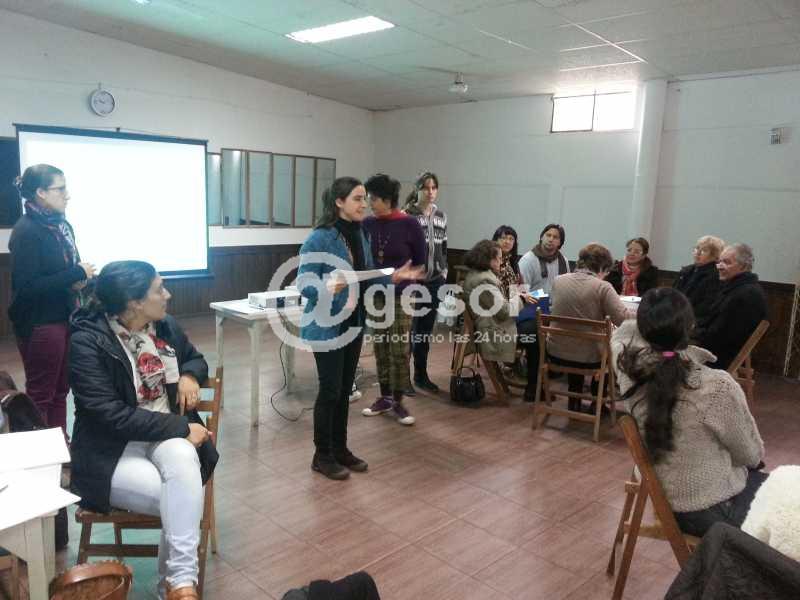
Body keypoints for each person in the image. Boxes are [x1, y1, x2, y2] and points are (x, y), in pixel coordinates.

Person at [69, 261, 218, 600]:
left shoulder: (164, 327)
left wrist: (189, 375)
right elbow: (110, 415)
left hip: (162, 436)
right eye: (159, 289)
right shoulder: (87, 341)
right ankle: (177, 588)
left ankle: (178, 583)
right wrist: (181, 425)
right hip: (111, 451)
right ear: (134, 302)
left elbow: (195, 358)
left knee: (182, 457)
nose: (168, 295)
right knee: (182, 498)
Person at [612, 288, 766, 537]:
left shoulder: (629, 371)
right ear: (691, 326)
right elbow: (751, 455)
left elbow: (622, 333)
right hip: (711, 510)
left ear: (641, 328)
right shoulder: (716, 386)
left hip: (664, 499)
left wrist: (647, 322)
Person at [298, 177, 422, 480]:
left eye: (365, 198)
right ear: (339, 202)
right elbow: (304, 283)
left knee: (343, 391)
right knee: (330, 391)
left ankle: (340, 449)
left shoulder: (360, 233)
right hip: (326, 326)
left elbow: (364, 274)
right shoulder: (320, 237)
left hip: (353, 322)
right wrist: (329, 285)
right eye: (357, 198)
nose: (364, 204)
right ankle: (321, 456)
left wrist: (392, 277)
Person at [8, 164, 95, 435]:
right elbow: (28, 287)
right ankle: (40, 451)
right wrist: (76, 273)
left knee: (60, 391)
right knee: (41, 395)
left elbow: (60, 273)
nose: (67, 194)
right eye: (60, 188)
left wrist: (78, 280)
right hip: (41, 322)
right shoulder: (27, 231)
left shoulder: (61, 225)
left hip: (65, 315)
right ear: (41, 193)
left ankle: (60, 443)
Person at [361, 174, 426, 426]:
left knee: (399, 348)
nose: (368, 203)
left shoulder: (409, 224)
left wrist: (408, 274)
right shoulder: (367, 224)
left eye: (372, 198)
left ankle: (398, 400)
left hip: (402, 296)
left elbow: (422, 266)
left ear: (387, 199)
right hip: (375, 294)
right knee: (380, 347)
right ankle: (384, 397)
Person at [548, 243, 632, 411]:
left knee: (577, 336)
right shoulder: (603, 287)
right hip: (589, 358)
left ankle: (574, 400)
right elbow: (622, 319)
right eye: (606, 271)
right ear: (602, 267)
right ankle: (597, 404)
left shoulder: (558, 281)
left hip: (556, 352)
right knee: (606, 348)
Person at [461, 240, 537, 393]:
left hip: (491, 324)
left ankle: (532, 382)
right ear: (489, 259)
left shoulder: (477, 274)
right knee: (536, 332)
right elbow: (504, 312)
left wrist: (516, 297)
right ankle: (534, 386)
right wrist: (520, 298)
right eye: (499, 258)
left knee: (533, 326)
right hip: (493, 331)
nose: (501, 262)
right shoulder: (485, 280)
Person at [404, 171, 447, 394]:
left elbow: (443, 247)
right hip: (412, 283)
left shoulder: (441, 216)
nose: (430, 192)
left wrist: (444, 271)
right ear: (417, 189)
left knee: (424, 332)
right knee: (408, 332)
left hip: (434, 281)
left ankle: (421, 376)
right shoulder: (407, 216)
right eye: (425, 188)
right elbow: (401, 250)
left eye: (433, 188)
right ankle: (403, 379)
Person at [694, 243, 767, 370]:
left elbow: (721, 336)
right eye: (719, 262)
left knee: (667, 354)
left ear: (744, 266)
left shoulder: (747, 294)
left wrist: (691, 334)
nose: (719, 266)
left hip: (717, 358)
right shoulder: (734, 288)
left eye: (727, 262)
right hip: (712, 349)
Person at [673, 235, 725, 323]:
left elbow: (706, 307)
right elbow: (673, 293)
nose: (698, 252)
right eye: (697, 248)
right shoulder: (686, 270)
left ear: (715, 256)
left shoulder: (715, 276)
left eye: (704, 250)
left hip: (694, 320)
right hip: (676, 315)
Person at [518, 223, 569, 295]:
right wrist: (543, 296)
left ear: (560, 242)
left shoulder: (564, 261)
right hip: (533, 301)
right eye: (548, 235)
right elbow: (520, 292)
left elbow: (567, 288)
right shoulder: (528, 260)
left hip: (557, 301)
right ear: (541, 237)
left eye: (555, 237)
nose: (551, 239)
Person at [491, 225, 522, 300]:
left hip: (513, 301)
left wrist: (523, 295)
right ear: (496, 240)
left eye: (511, 239)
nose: (507, 242)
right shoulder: (491, 260)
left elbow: (516, 286)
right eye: (503, 238)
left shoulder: (512, 261)